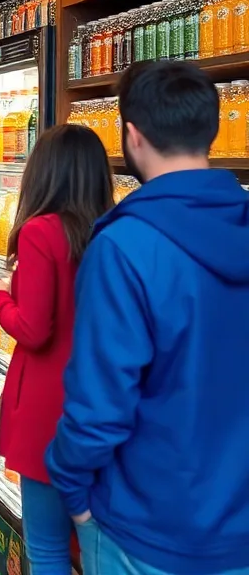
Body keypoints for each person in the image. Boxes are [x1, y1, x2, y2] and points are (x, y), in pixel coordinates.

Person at [47, 61, 249, 575]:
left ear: (131, 136)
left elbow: (100, 403)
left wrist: (73, 491)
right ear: (213, 129)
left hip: (142, 527)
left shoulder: (124, 245)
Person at [0, 124, 113, 575]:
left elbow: (34, 330)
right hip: (102, 400)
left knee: (47, 545)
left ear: (44, 172)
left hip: (47, 406)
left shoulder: (41, 232)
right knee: (94, 543)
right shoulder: (113, 230)